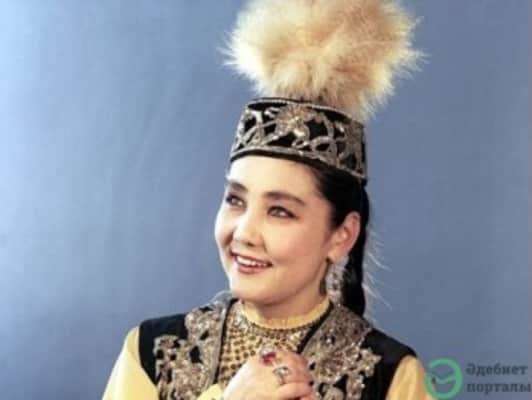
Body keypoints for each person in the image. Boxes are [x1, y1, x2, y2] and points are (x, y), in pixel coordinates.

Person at [103, 0, 434, 399]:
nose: (244, 233)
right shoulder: (151, 352)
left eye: (280, 211)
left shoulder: (392, 376)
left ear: (342, 235)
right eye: (235, 200)